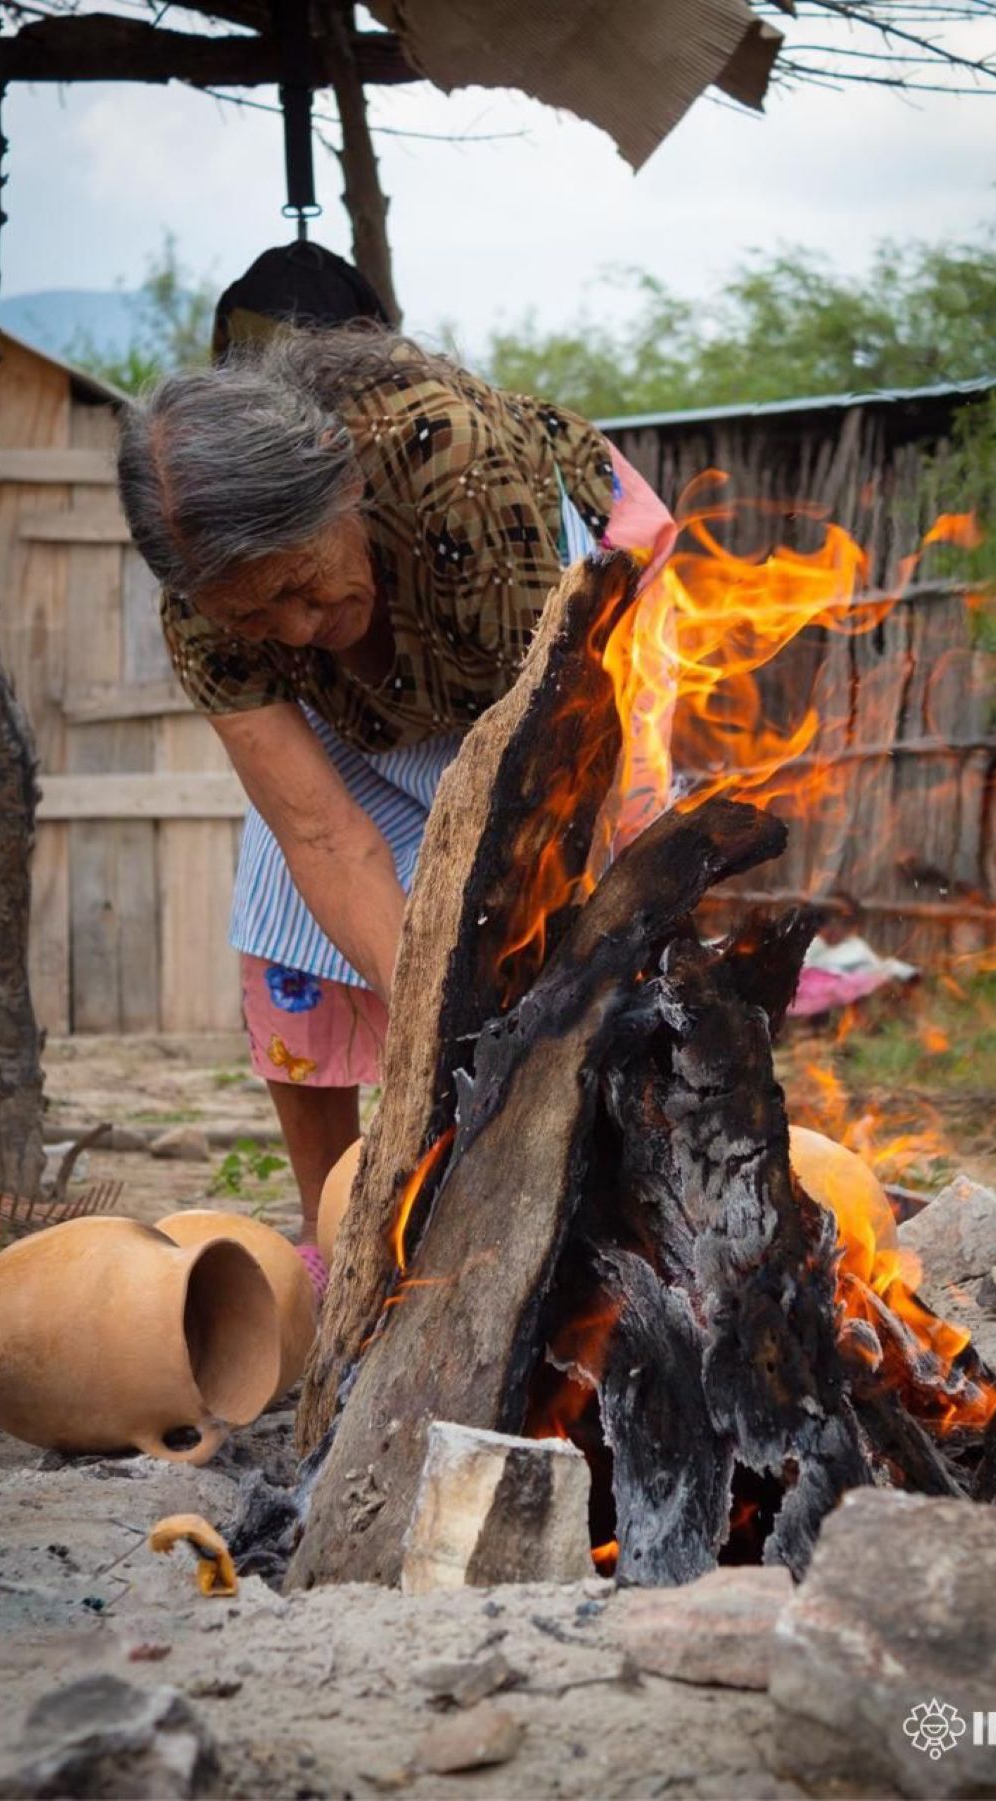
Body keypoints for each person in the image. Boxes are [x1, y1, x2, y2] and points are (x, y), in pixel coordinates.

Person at [116, 326, 675, 1281]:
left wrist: (518, 1001)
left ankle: (618, 1196)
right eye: (254, 615)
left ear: (343, 484)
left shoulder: (456, 474)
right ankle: (336, 1226)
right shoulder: (208, 616)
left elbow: (555, 772)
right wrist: (433, 1015)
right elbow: (319, 832)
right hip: (377, 700)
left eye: (299, 585)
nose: (297, 628)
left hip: (550, 646)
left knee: (577, 932)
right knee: (281, 904)